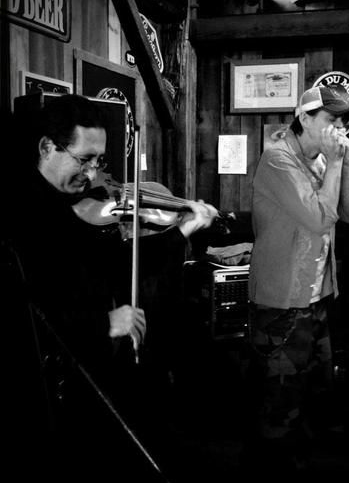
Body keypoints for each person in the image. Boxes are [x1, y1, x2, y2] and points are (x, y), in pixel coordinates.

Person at [3, 94, 217, 481]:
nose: (91, 174)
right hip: (57, 389)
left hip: (90, 370)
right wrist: (104, 323)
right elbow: (36, 312)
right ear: (47, 147)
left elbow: (116, 260)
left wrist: (182, 229)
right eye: (83, 159)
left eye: (98, 161)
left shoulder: (64, 206)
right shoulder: (24, 215)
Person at [243, 85, 349, 479]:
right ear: (305, 117)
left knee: (314, 390)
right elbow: (318, 218)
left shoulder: (325, 159)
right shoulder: (277, 158)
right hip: (282, 299)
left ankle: (303, 467)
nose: (339, 129)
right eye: (331, 119)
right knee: (280, 400)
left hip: (318, 296)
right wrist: (335, 163)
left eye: (343, 121)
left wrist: (346, 165)